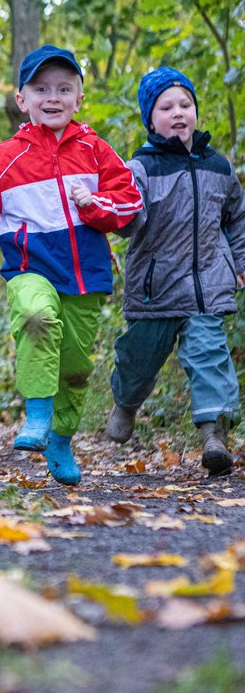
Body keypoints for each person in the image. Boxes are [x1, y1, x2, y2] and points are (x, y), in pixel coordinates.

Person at [0, 45, 143, 485]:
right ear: (22, 99)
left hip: (86, 275)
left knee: (75, 368)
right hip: (30, 270)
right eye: (40, 89)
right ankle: (36, 415)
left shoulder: (96, 152)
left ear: (78, 98)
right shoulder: (3, 159)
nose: (51, 97)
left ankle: (60, 437)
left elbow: (129, 203)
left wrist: (93, 206)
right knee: (36, 316)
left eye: (63, 88)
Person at [105, 67, 245, 474]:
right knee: (138, 360)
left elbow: (238, 217)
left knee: (210, 357)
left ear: (196, 111)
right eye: (166, 107)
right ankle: (126, 403)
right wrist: (113, 208)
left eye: (186, 104)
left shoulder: (219, 168)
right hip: (156, 288)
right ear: (151, 119)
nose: (178, 112)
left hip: (207, 287)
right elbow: (128, 220)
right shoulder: (141, 168)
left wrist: (240, 261)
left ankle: (213, 435)